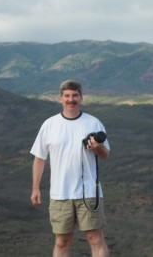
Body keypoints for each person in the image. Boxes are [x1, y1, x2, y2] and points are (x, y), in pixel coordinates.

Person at [30, 80, 110, 257]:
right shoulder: (49, 125)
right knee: (62, 241)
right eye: (66, 96)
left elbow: (105, 155)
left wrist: (96, 146)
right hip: (60, 193)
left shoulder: (94, 123)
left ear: (81, 97)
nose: (71, 99)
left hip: (89, 191)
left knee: (95, 238)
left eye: (74, 95)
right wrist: (35, 188)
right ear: (60, 99)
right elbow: (39, 158)